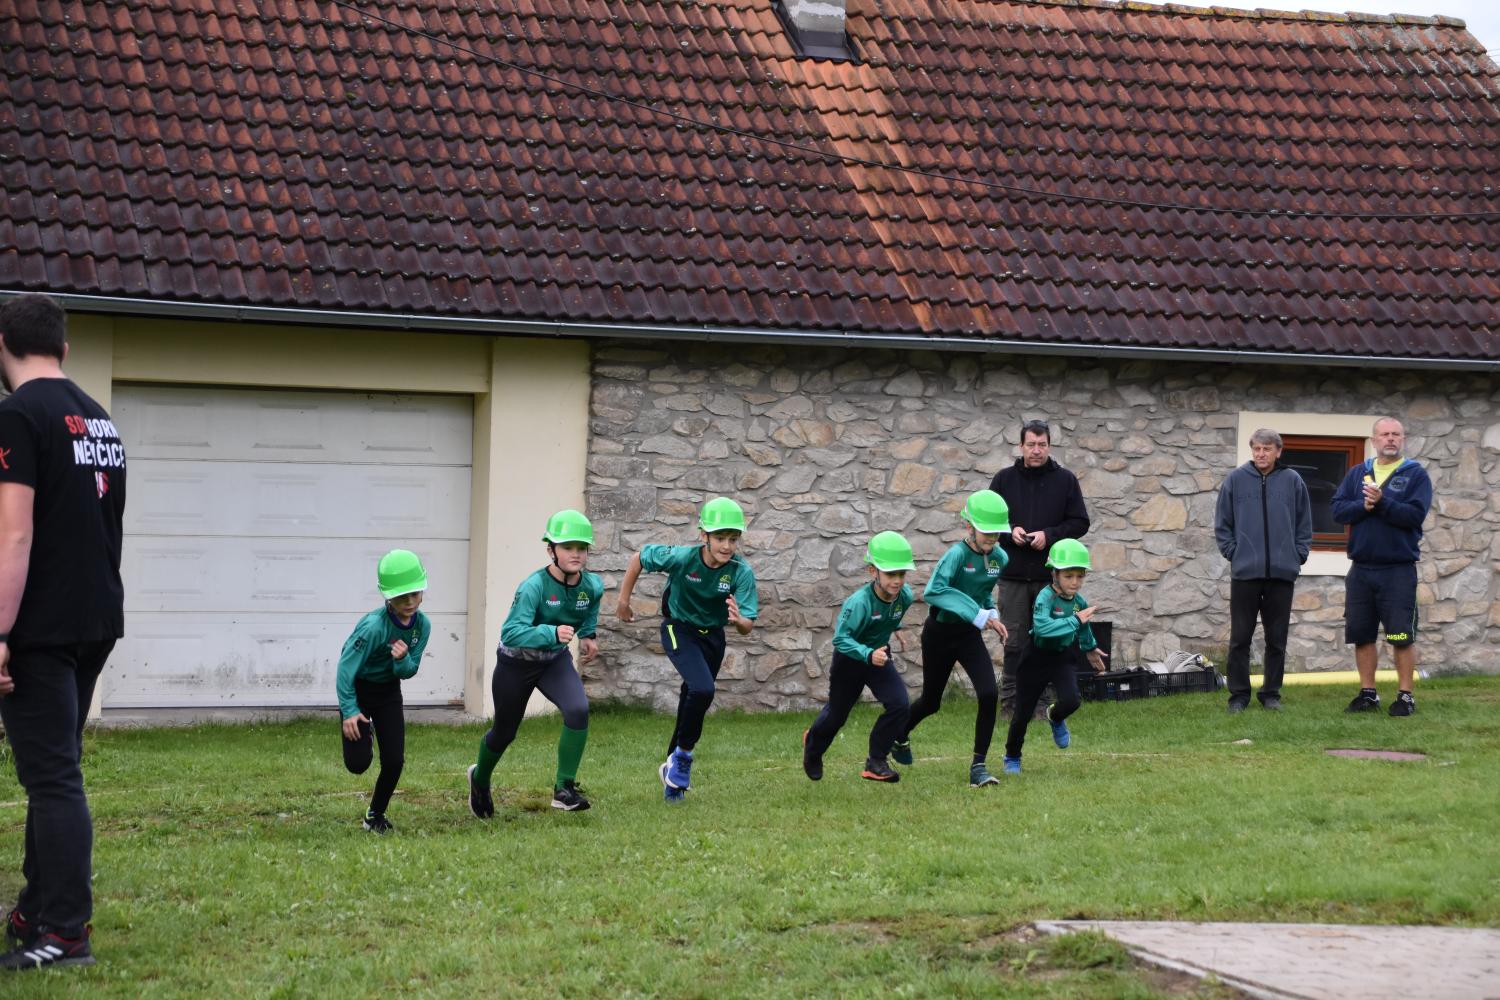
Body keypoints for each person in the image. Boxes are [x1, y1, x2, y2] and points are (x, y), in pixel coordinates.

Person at [0, 293, 126, 972]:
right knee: (56, 767)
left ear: (3, 345)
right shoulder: (99, 418)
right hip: (95, 619)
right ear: (65, 349)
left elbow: (14, 534)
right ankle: (34, 908)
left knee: (52, 778)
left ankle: (65, 932)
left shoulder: (19, 415)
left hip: (41, 627)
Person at [616, 496, 758, 802]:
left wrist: (740, 621)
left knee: (692, 698)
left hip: (713, 637)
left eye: (733, 539)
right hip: (678, 628)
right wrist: (624, 601)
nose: (727, 546)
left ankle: (673, 778)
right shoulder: (682, 558)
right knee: (703, 689)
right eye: (720, 538)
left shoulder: (740, 571)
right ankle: (683, 756)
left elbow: (748, 624)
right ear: (704, 535)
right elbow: (639, 557)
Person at [468, 510, 603, 817]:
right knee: (504, 732)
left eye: (581, 548)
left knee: (578, 709)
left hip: (554, 661)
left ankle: (564, 788)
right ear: (550, 550)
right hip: (515, 663)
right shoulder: (534, 586)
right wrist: (551, 632)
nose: (576, 554)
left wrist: (589, 634)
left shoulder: (592, 586)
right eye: (567, 547)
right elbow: (511, 632)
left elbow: (590, 607)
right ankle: (480, 779)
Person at [892, 489, 1010, 787]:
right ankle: (899, 734)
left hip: (968, 636)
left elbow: (983, 592)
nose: (992, 538)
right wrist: (976, 613)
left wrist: (992, 613)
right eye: (986, 531)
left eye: (997, 532)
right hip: (939, 634)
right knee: (931, 702)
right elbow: (934, 591)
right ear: (969, 526)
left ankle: (978, 767)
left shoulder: (1000, 558)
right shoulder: (956, 555)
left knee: (988, 693)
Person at [1330, 417, 1433, 717]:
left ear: (1403, 439)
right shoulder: (1357, 473)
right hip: (1361, 569)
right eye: (1385, 434)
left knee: (1400, 635)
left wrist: (1382, 502)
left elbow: (1414, 516)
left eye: (1396, 434)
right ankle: (1368, 694)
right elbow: (1338, 510)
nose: (1390, 439)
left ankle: (1405, 696)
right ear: (1374, 440)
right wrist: (1363, 506)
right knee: (1362, 634)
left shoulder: (1415, 475)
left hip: (1397, 569)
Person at [988, 419, 1090, 720]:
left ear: (1049, 446)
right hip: (1013, 576)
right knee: (1014, 642)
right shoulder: (1004, 480)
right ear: (1021, 446)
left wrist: (1049, 535)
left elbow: (1080, 522)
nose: (1036, 450)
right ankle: (1010, 705)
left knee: (1047, 642)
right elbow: (989, 522)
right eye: (1031, 444)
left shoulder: (1065, 480)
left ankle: (1042, 706)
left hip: (1050, 579)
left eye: (1042, 445)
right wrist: (1011, 532)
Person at [802, 531, 915, 784]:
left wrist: (895, 629)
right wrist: (867, 653)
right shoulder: (859, 603)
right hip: (850, 660)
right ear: (873, 571)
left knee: (900, 704)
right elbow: (841, 639)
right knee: (837, 715)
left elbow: (890, 614)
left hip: (879, 656)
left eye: (902, 574)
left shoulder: (905, 596)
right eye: (890, 574)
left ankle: (876, 761)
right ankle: (813, 746)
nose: (897, 580)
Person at [1213, 428, 1313, 712]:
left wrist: (1298, 554)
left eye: (1267, 449)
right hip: (1245, 573)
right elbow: (1223, 523)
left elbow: (1304, 522)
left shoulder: (1293, 480)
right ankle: (1238, 695)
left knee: (1276, 640)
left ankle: (1271, 694)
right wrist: (1234, 553)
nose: (1261, 454)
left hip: (1282, 574)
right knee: (1240, 639)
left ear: (1278, 451)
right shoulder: (1235, 480)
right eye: (1257, 448)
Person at [336, 549, 430, 834]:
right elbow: (345, 669)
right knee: (357, 764)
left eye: (414, 594)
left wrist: (401, 659)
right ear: (388, 597)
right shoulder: (374, 627)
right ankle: (366, 730)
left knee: (394, 761)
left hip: (388, 692)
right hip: (359, 691)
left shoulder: (422, 626)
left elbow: (409, 670)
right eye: (402, 597)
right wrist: (350, 710)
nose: (410, 602)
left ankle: (374, 815)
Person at [1002, 539, 1108, 775]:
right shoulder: (1045, 597)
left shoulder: (1079, 602)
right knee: (1022, 714)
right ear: (1055, 574)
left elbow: (1083, 627)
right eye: (1069, 576)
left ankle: (1055, 716)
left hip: (1061, 657)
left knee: (1072, 701)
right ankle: (1012, 756)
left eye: (1080, 576)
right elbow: (1043, 628)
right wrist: (1076, 620)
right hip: (1035, 658)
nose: (1075, 582)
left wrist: (1090, 648)